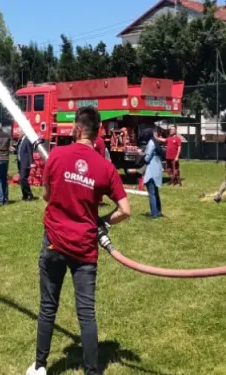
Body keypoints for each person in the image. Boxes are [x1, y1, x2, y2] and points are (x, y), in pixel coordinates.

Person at [26, 106, 131, 375]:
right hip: (85, 249)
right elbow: (125, 210)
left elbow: (46, 197)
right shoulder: (105, 168)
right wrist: (103, 222)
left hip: (54, 242)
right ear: (96, 134)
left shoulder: (57, 156)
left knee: (48, 306)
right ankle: (92, 371)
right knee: (86, 313)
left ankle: (39, 366)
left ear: (77, 128)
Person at [139, 128, 164, 218]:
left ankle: (154, 213)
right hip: (157, 168)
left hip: (151, 170)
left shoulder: (150, 143)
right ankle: (158, 211)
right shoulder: (155, 142)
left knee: (151, 193)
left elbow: (147, 158)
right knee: (156, 192)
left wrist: (141, 154)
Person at [16, 129, 35, 201]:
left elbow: (30, 152)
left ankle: (30, 194)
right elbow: (20, 150)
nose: (18, 132)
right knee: (21, 179)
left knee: (23, 178)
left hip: (25, 162)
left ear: (24, 132)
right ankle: (24, 195)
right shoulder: (20, 140)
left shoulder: (27, 140)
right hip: (20, 162)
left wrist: (31, 163)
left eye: (19, 131)